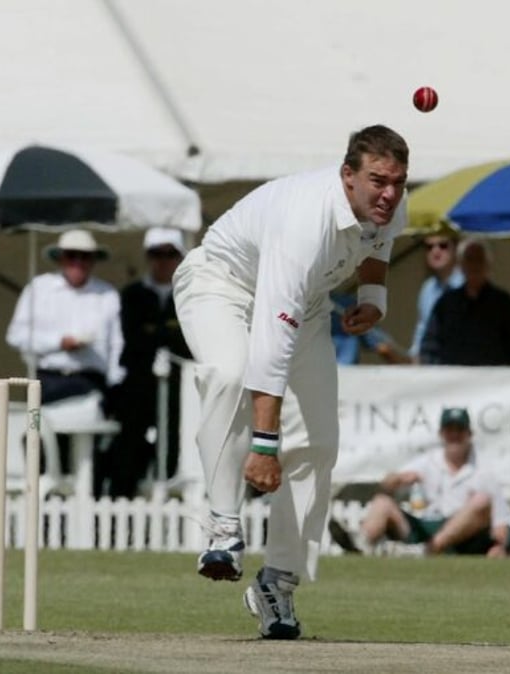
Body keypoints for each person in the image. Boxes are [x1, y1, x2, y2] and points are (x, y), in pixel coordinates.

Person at [172, 124, 409, 640]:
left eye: (396, 181)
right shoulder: (307, 221)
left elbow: (379, 245)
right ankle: (223, 525)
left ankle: (276, 583)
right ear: (348, 175)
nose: (389, 193)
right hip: (222, 284)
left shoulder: (391, 202)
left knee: (320, 443)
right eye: (377, 180)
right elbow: (271, 347)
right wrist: (263, 445)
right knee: (232, 374)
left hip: (307, 303)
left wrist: (373, 297)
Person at [5, 229, 124, 485]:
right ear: (60, 258)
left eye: (85, 257)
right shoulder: (39, 288)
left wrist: (114, 387)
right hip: (49, 380)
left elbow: (116, 346)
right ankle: (44, 508)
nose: (78, 263)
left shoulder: (107, 295)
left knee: (89, 452)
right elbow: (16, 336)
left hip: (90, 382)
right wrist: (58, 343)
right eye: (72, 256)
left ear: (93, 260)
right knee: (43, 447)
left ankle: (86, 499)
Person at [329, 408, 510, 557]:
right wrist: (399, 479)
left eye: (459, 430)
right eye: (450, 430)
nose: (454, 436)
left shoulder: (484, 470)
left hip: (463, 536)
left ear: (469, 434)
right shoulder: (429, 461)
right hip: (425, 526)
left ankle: (429, 550)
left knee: (481, 500)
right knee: (382, 502)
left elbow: (500, 520)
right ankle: (360, 542)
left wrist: (499, 545)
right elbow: (386, 485)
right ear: (441, 433)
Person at [106, 227, 193, 499]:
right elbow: (130, 338)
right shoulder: (131, 295)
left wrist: (159, 335)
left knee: (176, 444)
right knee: (129, 445)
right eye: (157, 253)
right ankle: (121, 503)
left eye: (170, 254)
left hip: (181, 387)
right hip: (138, 383)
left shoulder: (191, 295)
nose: (163, 261)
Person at [419, 238, 510, 365]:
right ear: (461, 265)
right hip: (452, 381)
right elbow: (428, 347)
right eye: (469, 259)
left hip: (495, 382)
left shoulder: (505, 305)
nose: (474, 265)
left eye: (479, 259)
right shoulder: (445, 305)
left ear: (488, 264)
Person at [408, 228, 464, 361]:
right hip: (433, 364)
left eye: (443, 245)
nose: (435, 251)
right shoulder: (427, 288)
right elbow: (422, 328)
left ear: (455, 249)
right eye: (429, 247)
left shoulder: (467, 284)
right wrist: (414, 356)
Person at [330, 291, 410, 365]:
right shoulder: (343, 304)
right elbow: (383, 347)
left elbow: (382, 346)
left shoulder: (343, 305)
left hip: (341, 374)